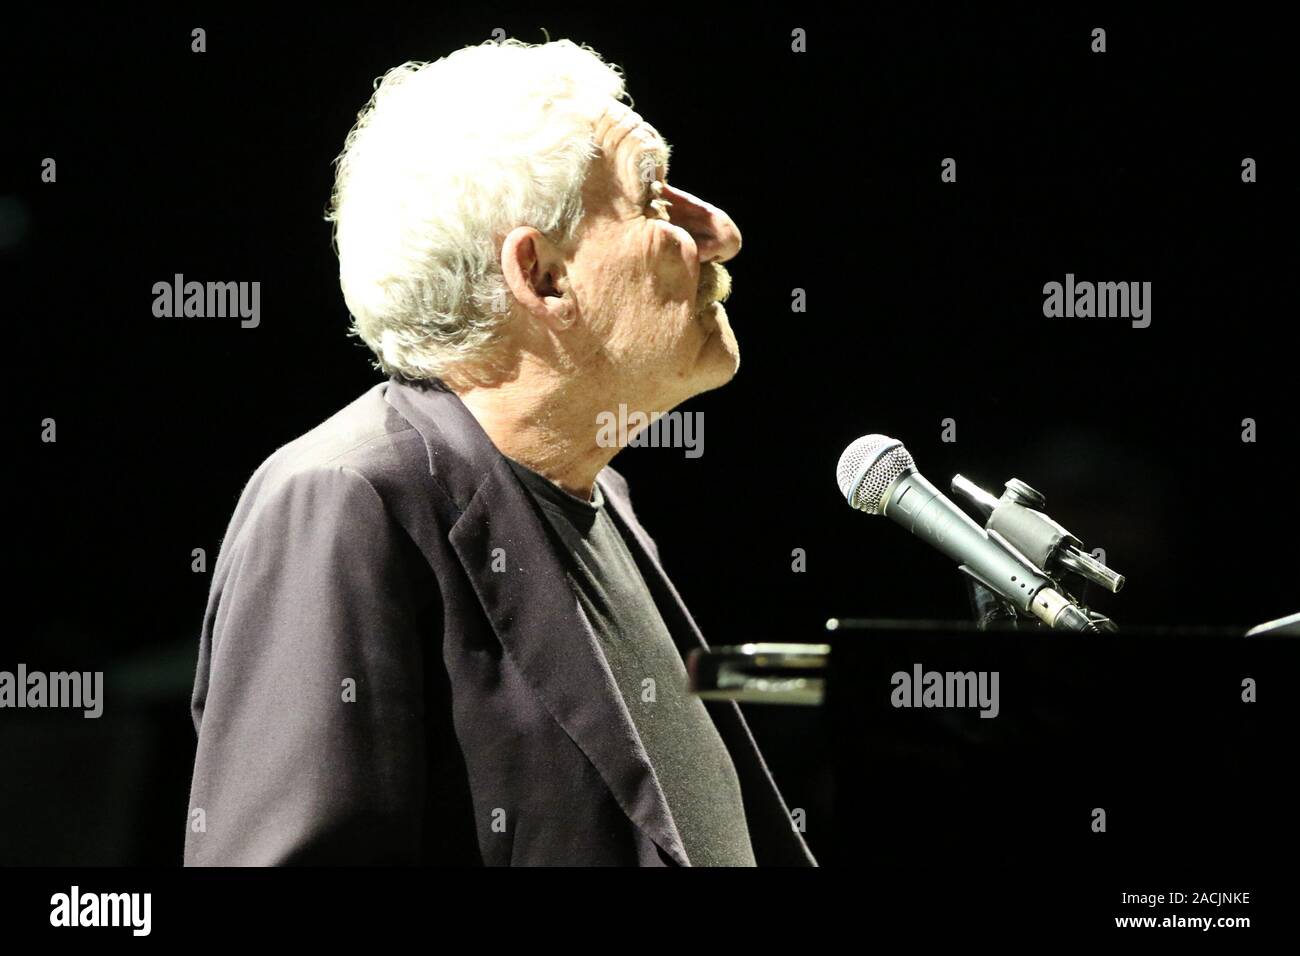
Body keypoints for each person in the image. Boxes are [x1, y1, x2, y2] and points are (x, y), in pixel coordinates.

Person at [184, 37, 815, 866]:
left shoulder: (600, 497)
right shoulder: (342, 498)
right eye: (654, 198)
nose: (720, 233)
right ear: (543, 275)